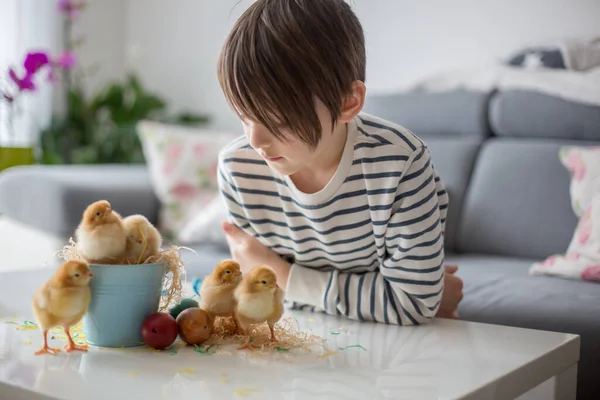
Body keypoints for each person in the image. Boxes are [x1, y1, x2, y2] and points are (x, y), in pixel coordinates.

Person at [215, 0, 463, 324]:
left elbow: (413, 303)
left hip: (400, 350)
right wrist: (387, 297)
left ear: (348, 102)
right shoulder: (238, 168)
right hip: (299, 340)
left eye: (278, 120)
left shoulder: (399, 164)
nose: (256, 141)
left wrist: (285, 276)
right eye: (244, 115)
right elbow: (262, 296)